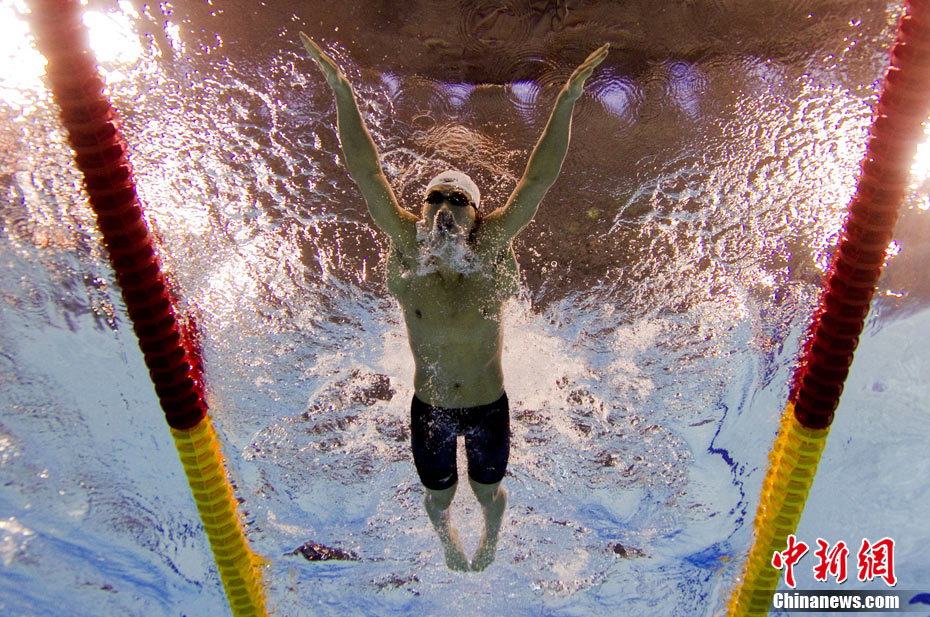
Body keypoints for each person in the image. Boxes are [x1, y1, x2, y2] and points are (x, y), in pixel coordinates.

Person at [300, 32, 608, 571]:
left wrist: (567, 100)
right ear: (421, 211)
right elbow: (367, 173)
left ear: (477, 214)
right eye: (435, 198)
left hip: (489, 409)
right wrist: (341, 89)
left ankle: (491, 533)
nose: (445, 206)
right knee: (439, 499)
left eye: (458, 199)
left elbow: (537, 179)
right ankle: (446, 539)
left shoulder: (491, 246)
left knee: (488, 493)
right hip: (431, 410)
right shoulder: (407, 244)